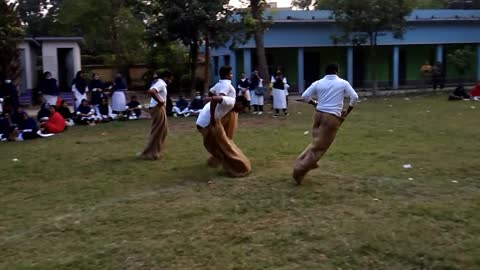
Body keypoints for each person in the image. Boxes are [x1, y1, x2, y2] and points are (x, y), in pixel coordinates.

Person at [293, 63, 359, 185]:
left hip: (318, 115)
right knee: (320, 148)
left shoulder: (318, 83)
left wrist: (315, 103)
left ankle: (306, 162)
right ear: (336, 71)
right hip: (331, 117)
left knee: (315, 144)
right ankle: (299, 169)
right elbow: (354, 97)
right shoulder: (343, 83)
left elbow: (305, 96)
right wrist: (347, 111)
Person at [196, 94, 251, 177]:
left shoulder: (230, 103)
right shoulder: (231, 102)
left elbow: (208, 99)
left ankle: (216, 162)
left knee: (218, 147)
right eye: (242, 108)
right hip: (206, 124)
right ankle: (237, 168)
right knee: (223, 147)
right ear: (239, 104)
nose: (241, 111)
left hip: (202, 123)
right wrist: (212, 117)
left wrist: (208, 108)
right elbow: (214, 99)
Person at [139, 70, 174, 160]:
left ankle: (154, 151)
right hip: (158, 108)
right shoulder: (161, 83)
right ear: (166, 77)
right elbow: (151, 91)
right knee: (159, 131)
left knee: (161, 130)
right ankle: (150, 153)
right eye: (170, 79)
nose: (171, 81)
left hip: (158, 108)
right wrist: (160, 101)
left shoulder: (161, 83)